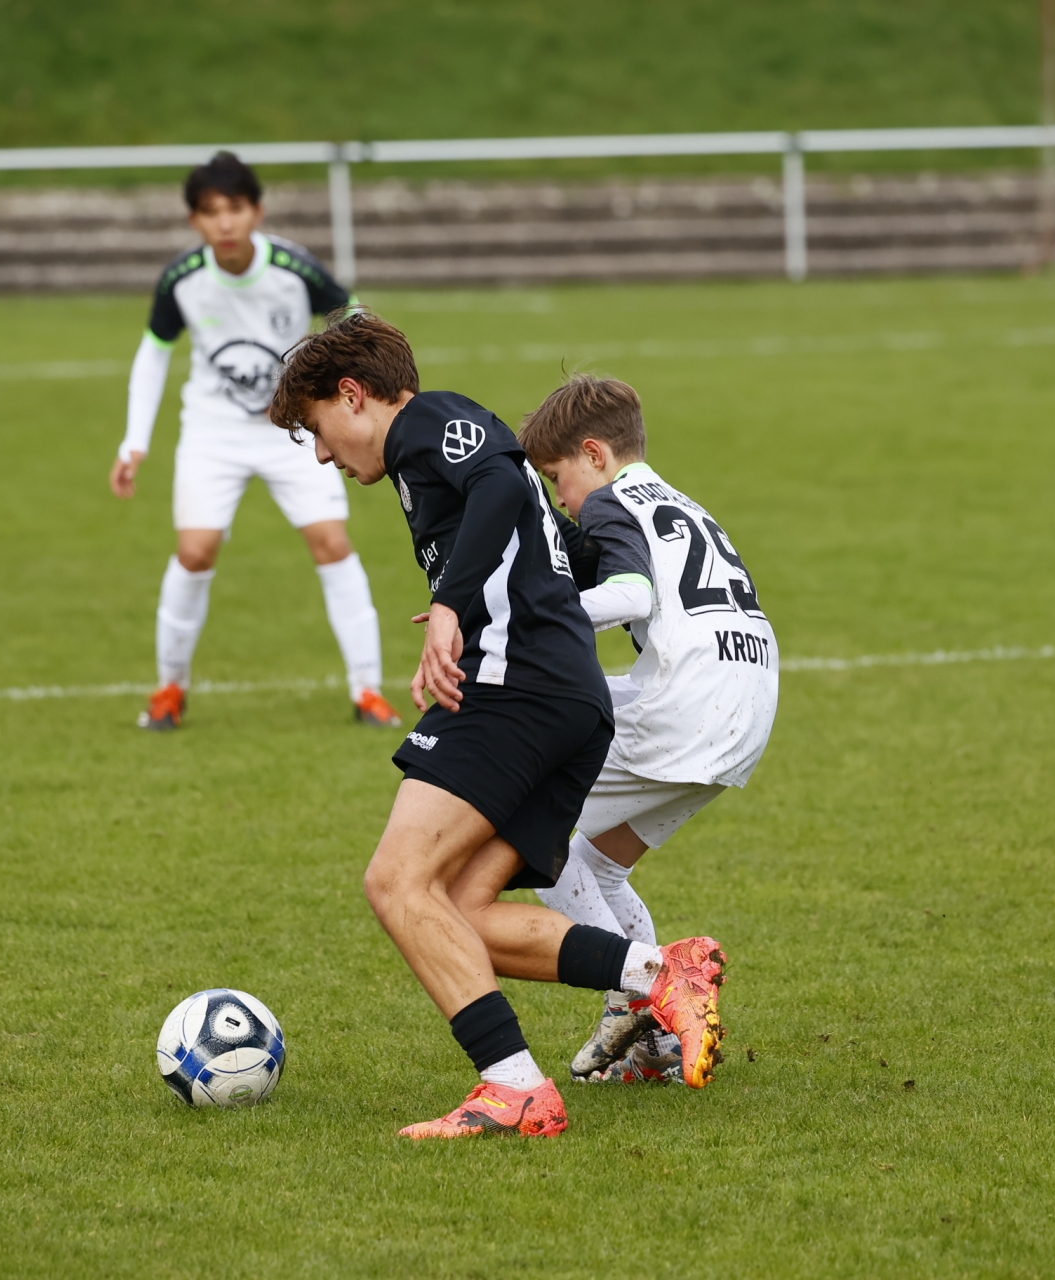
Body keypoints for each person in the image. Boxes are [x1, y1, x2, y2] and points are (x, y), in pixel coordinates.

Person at [269, 311, 726, 1140]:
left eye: (316, 428)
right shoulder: (426, 461)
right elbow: (549, 538)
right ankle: (661, 972)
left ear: (354, 394)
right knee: (459, 909)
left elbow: (500, 481)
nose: (323, 455)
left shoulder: (428, 422)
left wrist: (452, 606)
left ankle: (513, 1086)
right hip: (565, 698)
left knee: (397, 881)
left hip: (516, 692)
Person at [518, 375, 778, 1085]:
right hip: (747, 706)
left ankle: (644, 989)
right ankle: (656, 1042)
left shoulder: (610, 502)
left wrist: (534, 619)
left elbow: (631, 595)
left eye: (559, 479)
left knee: (528, 833)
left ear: (594, 455)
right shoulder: (675, 501)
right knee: (598, 864)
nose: (564, 500)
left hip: (686, 709)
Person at [109, 151, 400, 731]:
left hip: (291, 432)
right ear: (194, 219)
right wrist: (134, 441)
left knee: (331, 542)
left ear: (258, 211)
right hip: (212, 432)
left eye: (236, 208)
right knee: (195, 552)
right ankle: (169, 688)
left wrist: (351, 394)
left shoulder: (294, 267)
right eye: (211, 211)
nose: (225, 223)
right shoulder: (181, 279)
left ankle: (368, 690)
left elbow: (354, 319)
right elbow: (154, 351)